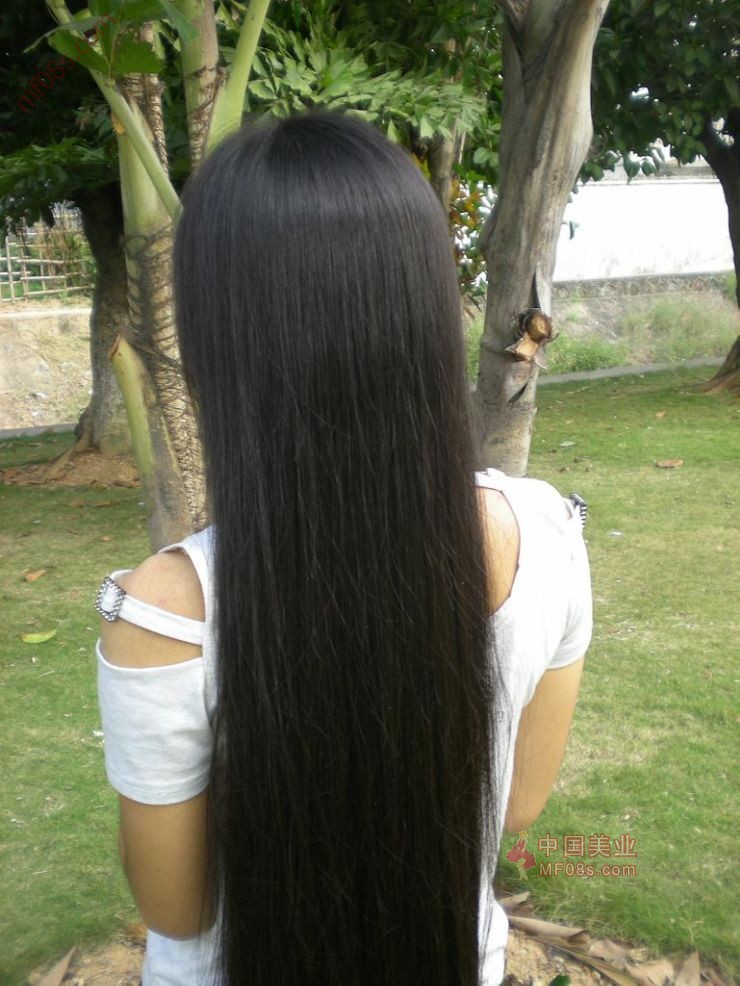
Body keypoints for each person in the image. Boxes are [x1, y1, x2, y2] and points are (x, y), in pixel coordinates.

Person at [94, 109, 592, 986]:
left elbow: (175, 908)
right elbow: (517, 805)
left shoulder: (164, 615)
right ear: (424, 310)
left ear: (217, 342)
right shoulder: (545, 534)